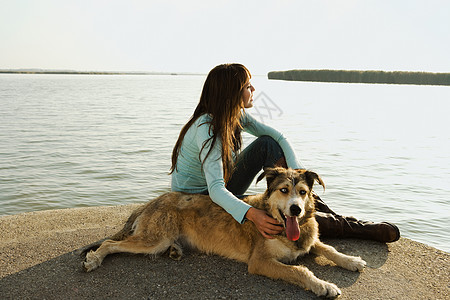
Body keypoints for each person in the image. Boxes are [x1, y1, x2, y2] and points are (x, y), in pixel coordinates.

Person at [169, 63, 400, 243]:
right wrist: (252, 214)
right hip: (198, 200)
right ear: (232, 93)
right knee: (271, 216)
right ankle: (355, 229)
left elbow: (278, 137)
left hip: (219, 187)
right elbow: (216, 190)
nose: (253, 90)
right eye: (248, 86)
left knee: (267, 143)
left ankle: (311, 206)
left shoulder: (233, 115)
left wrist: (297, 172)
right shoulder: (207, 128)